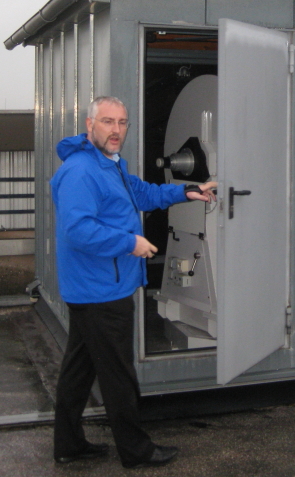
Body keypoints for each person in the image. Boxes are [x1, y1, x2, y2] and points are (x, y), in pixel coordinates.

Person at [50, 95, 216, 469]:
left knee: (80, 369)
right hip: (101, 291)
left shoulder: (110, 165)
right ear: (89, 125)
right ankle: (135, 451)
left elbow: (139, 193)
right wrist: (132, 242)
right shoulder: (81, 171)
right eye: (108, 122)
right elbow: (78, 230)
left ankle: (69, 444)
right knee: (118, 375)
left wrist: (184, 191)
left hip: (96, 287)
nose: (117, 130)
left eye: (122, 123)